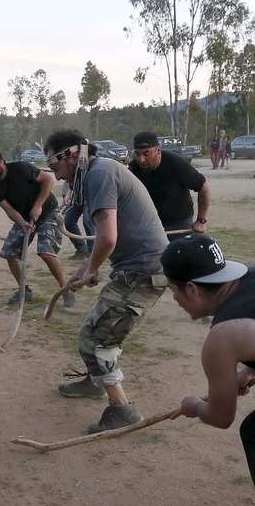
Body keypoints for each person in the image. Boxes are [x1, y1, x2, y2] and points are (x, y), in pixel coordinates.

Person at [45, 129, 168, 432]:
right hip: (138, 267)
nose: (57, 177)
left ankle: (123, 411)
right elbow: (105, 237)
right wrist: (89, 266)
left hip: (143, 271)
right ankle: (94, 382)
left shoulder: (99, 174)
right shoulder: (95, 172)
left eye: (55, 167)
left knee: (96, 340)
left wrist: (90, 270)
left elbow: (108, 237)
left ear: (70, 154)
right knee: (96, 329)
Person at [161, 234, 255, 483]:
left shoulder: (223, 336)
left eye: (172, 289)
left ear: (191, 289)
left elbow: (221, 417)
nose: (174, 299)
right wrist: (249, 371)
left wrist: (195, 407)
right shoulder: (250, 279)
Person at [0, 146, 73, 307]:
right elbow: (9, 209)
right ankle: (24, 291)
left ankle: (65, 290)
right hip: (25, 218)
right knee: (9, 253)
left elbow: (48, 180)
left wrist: (38, 206)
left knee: (46, 252)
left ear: (1, 161)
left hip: (48, 211)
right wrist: (22, 223)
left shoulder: (21, 168)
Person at [128, 131, 211, 241]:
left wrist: (201, 220)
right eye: (137, 154)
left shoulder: (175, 163)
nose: (141, 159)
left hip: (179, 223)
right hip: (150, 224)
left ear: (158, 150)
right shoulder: (133, 169)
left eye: (146, 154)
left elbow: (204, 187)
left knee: (177, 256)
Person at [61, 179, 95, 259]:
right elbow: (73, 181)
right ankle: (81, 249)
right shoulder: (76, 170)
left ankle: (92, 252)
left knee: (87, 222)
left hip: (91, 196)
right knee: (68, 221)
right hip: (78, 197)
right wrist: (67, 195)